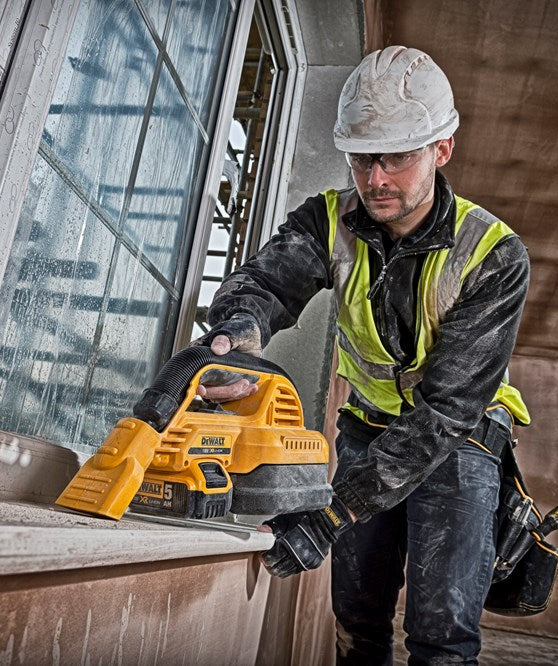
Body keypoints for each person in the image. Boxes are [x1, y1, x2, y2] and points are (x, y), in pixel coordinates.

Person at [197, 46, 531, 665]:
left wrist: (332, 512)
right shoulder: (329, 221)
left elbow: (446, 411)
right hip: (367, 427)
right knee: (356, 617)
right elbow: (264, 283)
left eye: (396, 157)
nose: (375, 178)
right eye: (361, 157)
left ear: (442, 149)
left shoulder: (494, 254)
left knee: (442, 633)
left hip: (461, 439)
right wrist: (238, 330)